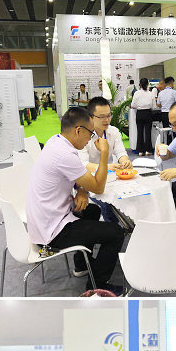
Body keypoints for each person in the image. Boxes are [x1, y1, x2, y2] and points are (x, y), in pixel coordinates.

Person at [23, 106, 125, 292]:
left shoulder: (56, 141)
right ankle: (96, 286)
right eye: (90, 134)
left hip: (45, 219)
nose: (90, 139)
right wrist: (104, 153)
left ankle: (82, 264)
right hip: (52, 232)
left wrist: (82, 191)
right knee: (116, 232)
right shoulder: (65, 154)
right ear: (78, 130)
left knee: (92, 210)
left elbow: (78, 179)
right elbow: (98, 187)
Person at [85, 96, 131, 169]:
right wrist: (104, 168)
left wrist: (125, 162)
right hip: (90, 174)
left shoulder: (114, 131)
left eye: (109, 115)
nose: (106, 120)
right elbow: (83, 164)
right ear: (91, 117)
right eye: (102, 117)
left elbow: (121, 152)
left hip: (111, 173)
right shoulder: (83, 135)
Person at [130, 77, 162, 156]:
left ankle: (140, 151)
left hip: (139, 113)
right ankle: (148, 150)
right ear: (148, 84)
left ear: (140, 85)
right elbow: (154, 106)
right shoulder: (151, 94)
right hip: (148, 113)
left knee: (140, 132)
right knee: (148, 132)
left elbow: (133, 105)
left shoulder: (136, 93)